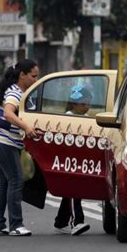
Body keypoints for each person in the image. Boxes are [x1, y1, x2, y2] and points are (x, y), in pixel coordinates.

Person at [0, 59, 40, 237]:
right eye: (33, 76)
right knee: (16, 180)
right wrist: (26, 127)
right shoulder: (15, 93)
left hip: (3, 142)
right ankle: (16, 225)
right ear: (22, 75)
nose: (36, 80)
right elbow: (9, 113)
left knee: (4, 183)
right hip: (4, 143)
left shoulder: (21, 91)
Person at [54, 84, 92, 236]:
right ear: (74, 103)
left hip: (80, 161)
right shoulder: (68, 118)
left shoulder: (88, 118)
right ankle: (77, 222)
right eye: (83, 103)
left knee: (71, 192)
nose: (87, 106)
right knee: (73, 190)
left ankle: (61, 221)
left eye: (89, 103)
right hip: (68, 161)